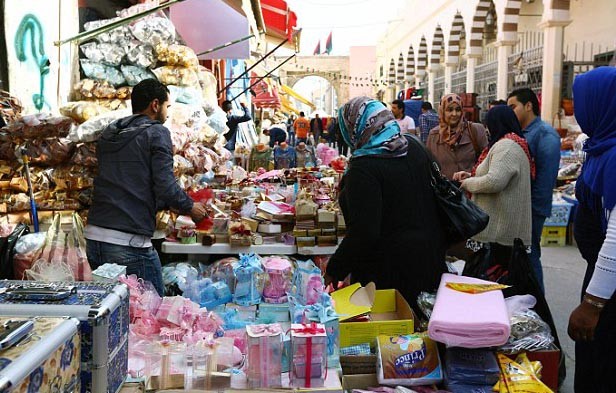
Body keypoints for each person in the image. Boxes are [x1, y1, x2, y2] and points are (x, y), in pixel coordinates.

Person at [324, 97, 447, 314]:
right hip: (429, 258)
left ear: (355, 128)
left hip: (389, 272)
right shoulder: (414, 149)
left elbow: (364, 232)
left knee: (394, 338)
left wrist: (335, 268)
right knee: (422, 332)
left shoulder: (364, 169)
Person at [85, 79, 207, 295]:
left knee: (117, 314)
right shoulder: (157, 132)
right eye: (167, 107)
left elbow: (132, 181)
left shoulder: (110, 133)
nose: (167, 114)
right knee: (152, 314)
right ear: (155, 104)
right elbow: (166, 185)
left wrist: (162, 205)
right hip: (127, 242)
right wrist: (191, 207)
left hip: (95, 238)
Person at [566, 67, 616, 393]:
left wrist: (592, 304)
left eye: (581, 99)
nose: (575, 106)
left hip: (609, 293)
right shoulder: (602, 145)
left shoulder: (613, 157)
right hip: (600, 278)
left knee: (603, 369)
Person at [453, 106, 533, 251]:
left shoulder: (507, 147)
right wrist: (471, 175)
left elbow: (494, 182)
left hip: (499, 234)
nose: (487, 129)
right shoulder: (509, 143)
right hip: (500, 232)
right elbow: (500, 174)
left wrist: (467, 183)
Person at [507, 88, 560, 292]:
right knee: (520, 256)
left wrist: (531, 212)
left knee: (529, 255)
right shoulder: (521, 133)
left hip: (531, 210)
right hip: (519, 208)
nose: (511, 111)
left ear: (528, 106)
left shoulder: (546, 136)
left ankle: (539, 303)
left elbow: (545, 183)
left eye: (514, 106)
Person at [426, 93, 488, 180]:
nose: (454, 114)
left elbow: (487, 162)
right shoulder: (434, 135)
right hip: (445, 191)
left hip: (471, 189)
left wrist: (471, 175)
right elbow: (429, 166)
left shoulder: (475, 130)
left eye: (458, 109)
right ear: (442, 111)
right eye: (450, 110)